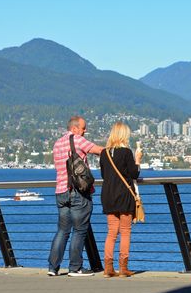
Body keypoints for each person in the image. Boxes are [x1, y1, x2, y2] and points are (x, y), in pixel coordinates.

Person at [48, 115, 103, 276]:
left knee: (62, 230)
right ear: (74, 129)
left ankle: (53, 267)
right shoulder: (78, 140)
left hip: (61, 191)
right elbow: (99, 151)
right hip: (77, 191)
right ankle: (75, 267)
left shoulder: (57, 143)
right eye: (83, 128)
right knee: (79, 230)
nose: (85, 131)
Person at [99, 122, 143, 278]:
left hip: (108, 195)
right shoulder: (126, 152)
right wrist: (137, 159)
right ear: (124, 135)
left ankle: (108, 268)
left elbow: (105, 175)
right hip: (124, 195)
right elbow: (134, 173)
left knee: (111, 232)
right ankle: (123, 268)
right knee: (125, 232)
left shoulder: (104, 153)